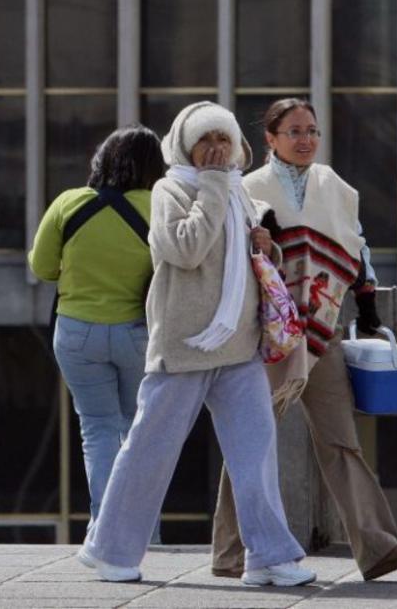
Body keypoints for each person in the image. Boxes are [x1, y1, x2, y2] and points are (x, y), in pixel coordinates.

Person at [76, 101, 315, 587]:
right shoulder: (172, 189)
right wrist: (209, 186)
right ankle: (110, 550)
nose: (215, 150)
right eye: (205, 140)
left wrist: (264, 246)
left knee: (256, 451)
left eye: (223, 140)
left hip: (238, 345)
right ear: (185, 146)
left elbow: (239, 258)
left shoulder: (236, 193)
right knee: (149, 449)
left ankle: (269, 556)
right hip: (184, 346)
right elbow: (183, 249)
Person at [209, 98, 397, 581]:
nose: (305, 139)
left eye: (312, 130)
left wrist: (368, 306)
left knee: (341, 441)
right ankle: (228, 552)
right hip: (264, 334)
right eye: (294, 131)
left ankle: (376, 547)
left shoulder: (336, 187)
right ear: (269, 138)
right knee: (250, 442)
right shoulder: (246, 189)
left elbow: (358, 246)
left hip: (322, 332)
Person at [28, 125, 164, 545]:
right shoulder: (159, 207)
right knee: (138, 432)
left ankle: (105, 532)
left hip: (77, 334)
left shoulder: (69, 203)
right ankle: (145, 535)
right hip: (140, 334)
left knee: (98, 429)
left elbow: (42, 268)